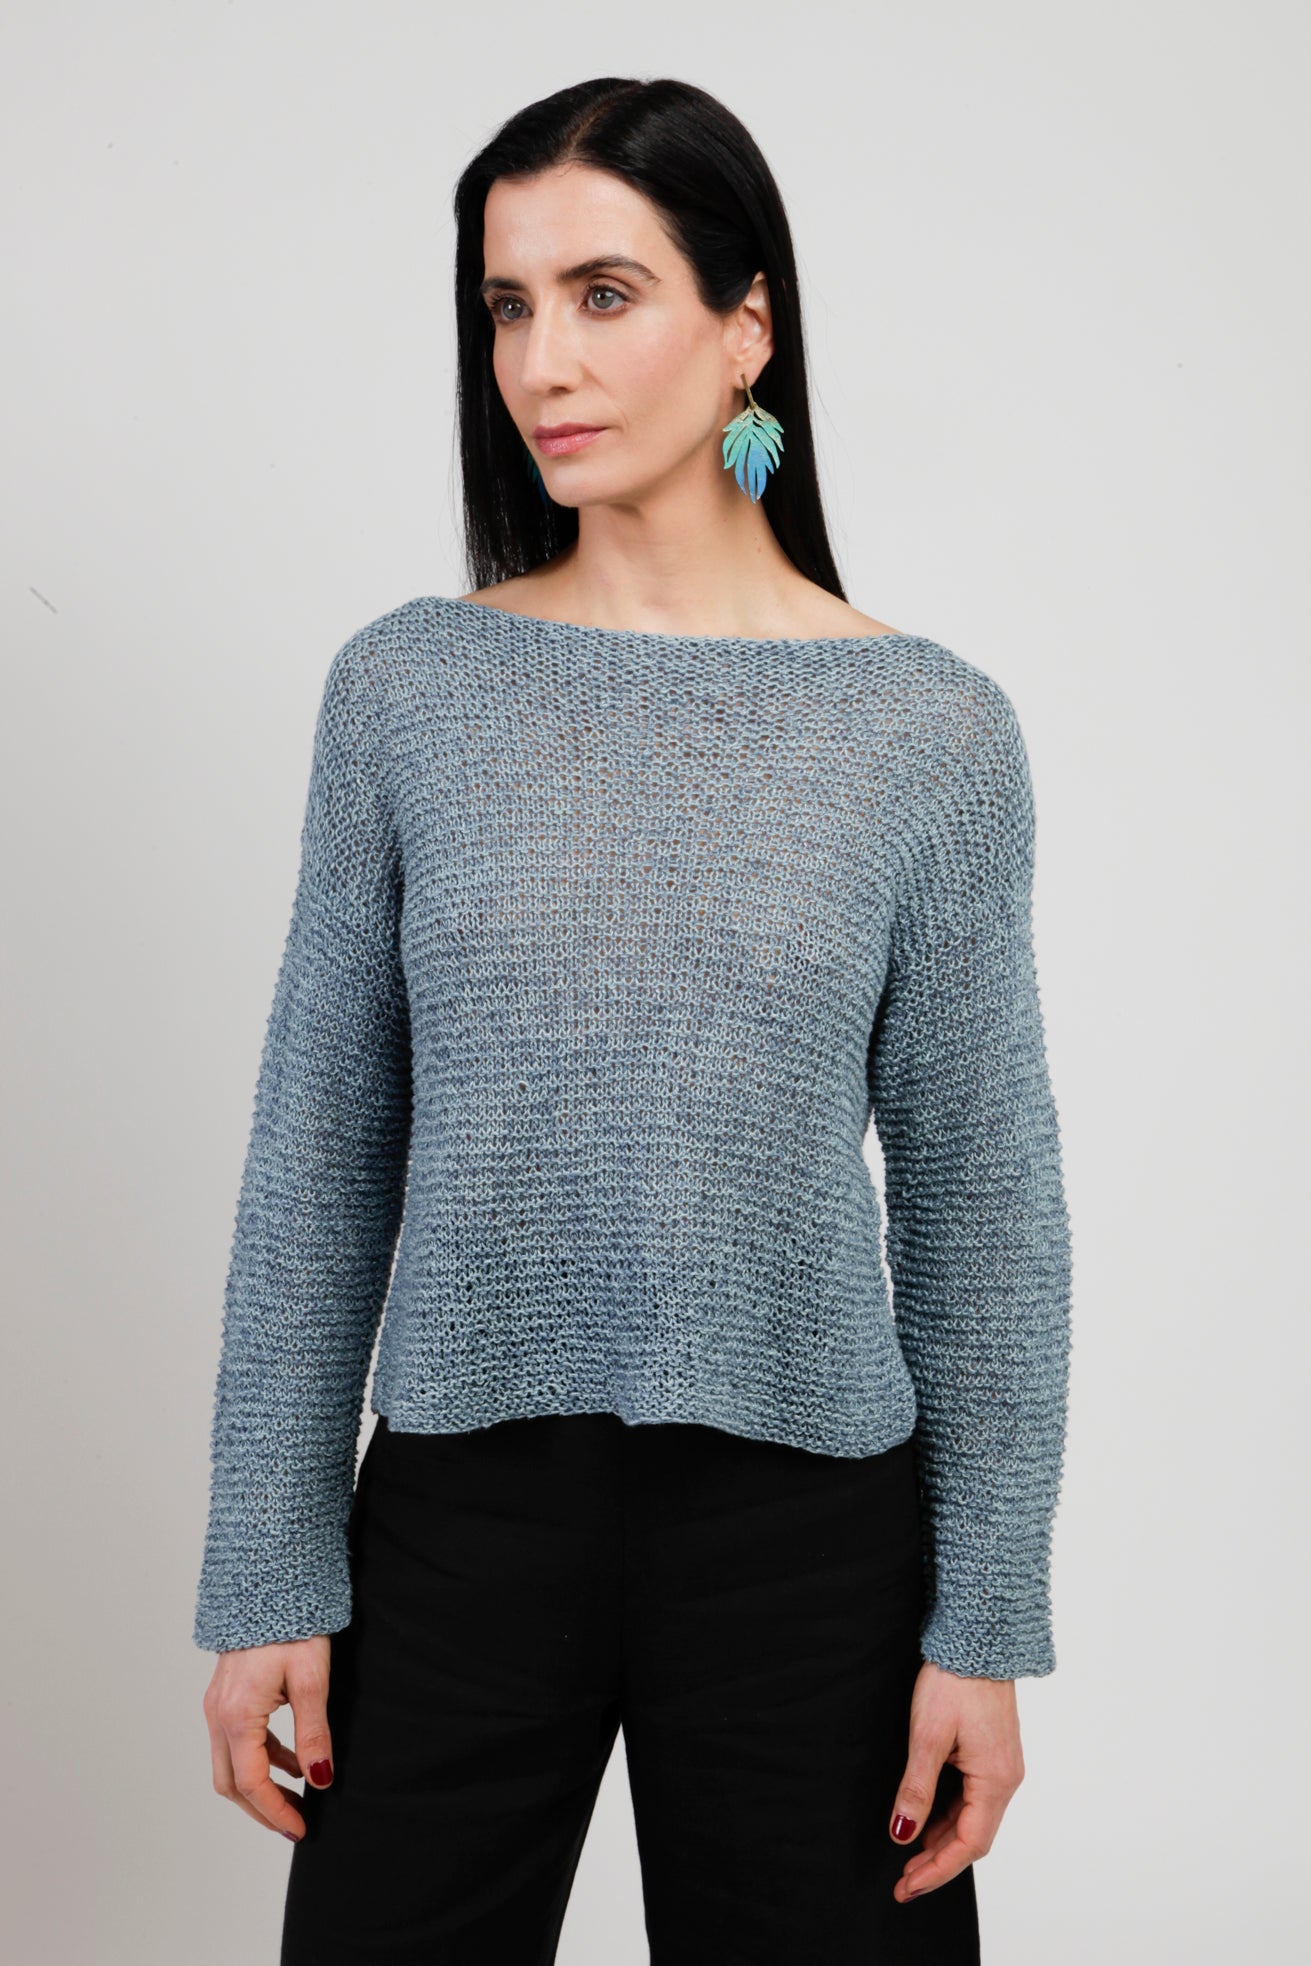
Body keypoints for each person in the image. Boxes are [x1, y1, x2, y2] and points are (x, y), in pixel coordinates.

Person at [195, 75, 1072, 1966]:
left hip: (811, 1543)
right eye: (508, 305)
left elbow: (983, 1208)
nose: (542, 360)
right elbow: (318, 1155)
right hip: (458, 1523)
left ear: (748, 326)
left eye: (605, 294)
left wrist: (986, 1625)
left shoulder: (928, 734)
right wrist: (268, 1561)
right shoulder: (411, 693)